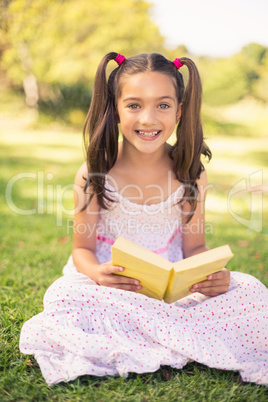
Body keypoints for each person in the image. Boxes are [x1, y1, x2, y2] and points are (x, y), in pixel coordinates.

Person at [20, 52, 268, 386]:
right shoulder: (95, 172)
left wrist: (211, 275)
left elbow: (195, 247)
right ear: (116, 109)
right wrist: (98, 274)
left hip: (172, 289)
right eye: (134, 105)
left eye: (163, 105)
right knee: (63, 296)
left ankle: (151, 328)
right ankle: (169, 330)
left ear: (179, 111)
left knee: (250, 289)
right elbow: (82, 251)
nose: (148, 119)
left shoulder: (191, 174)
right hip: (112, 283)